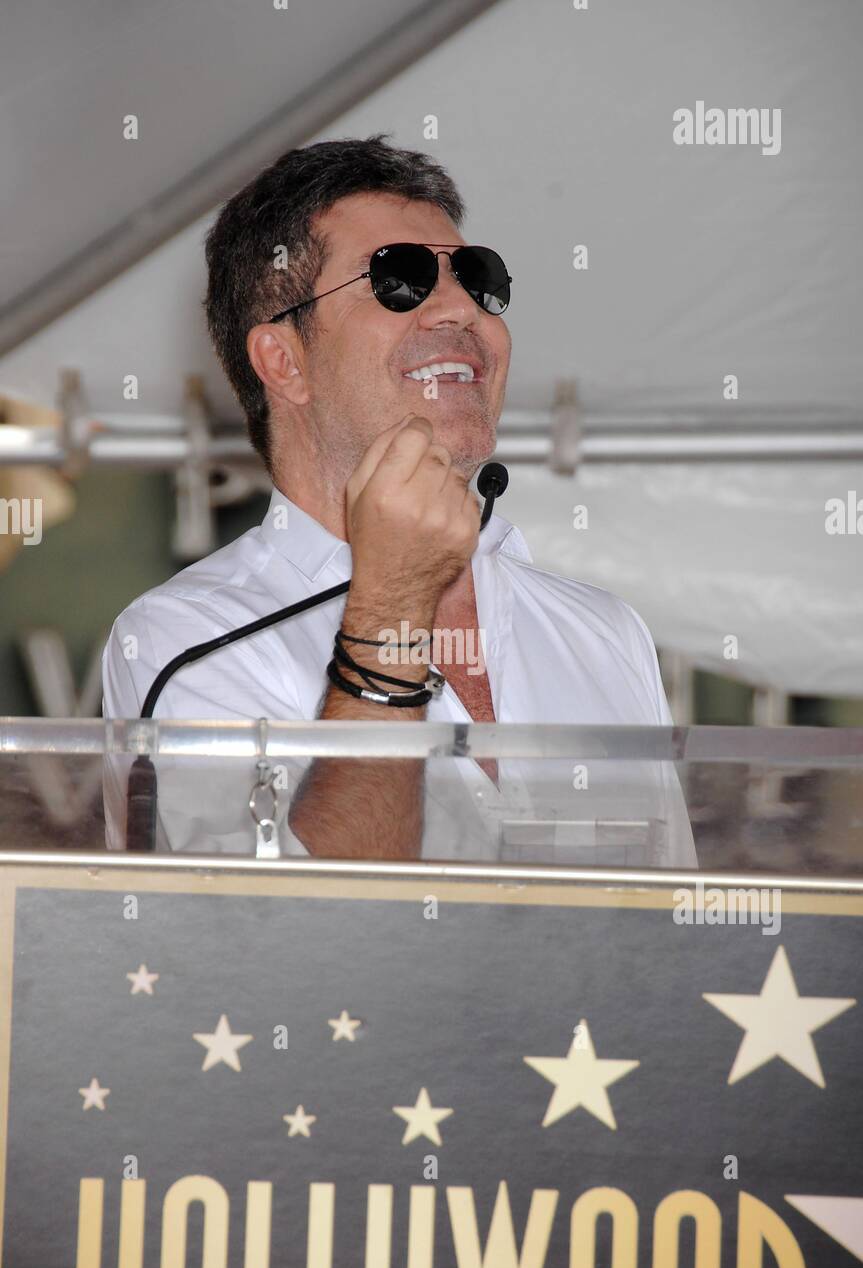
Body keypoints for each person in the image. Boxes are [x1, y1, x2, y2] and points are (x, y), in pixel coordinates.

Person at [102, 134, 695, 867]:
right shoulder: (185, 640)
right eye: (400, 279)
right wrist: (392, 609)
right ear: (283, 361)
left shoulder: (603, 630)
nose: (461, 312)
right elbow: (287, 942)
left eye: (476, 278)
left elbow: (671, 938)